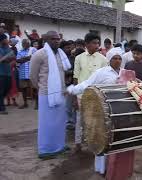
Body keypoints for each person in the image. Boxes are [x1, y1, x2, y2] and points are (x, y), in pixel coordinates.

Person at [67, 47, 135, 179]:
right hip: (103, 113)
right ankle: (101, 169)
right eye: (114, 58)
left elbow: (134, 88)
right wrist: (71, 90)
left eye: (119, 58)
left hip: (122, 113)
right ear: (109, 59)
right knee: (102, 140)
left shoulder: (127, 73)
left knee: (118, 142)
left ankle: (117, 170)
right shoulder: (101, 73)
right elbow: (87, 84)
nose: (117, 60)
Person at [29, 31, 71, 158]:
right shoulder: (39, 54)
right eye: (53, 39)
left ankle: (59, 146)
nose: (57, 41)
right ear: (46, 40)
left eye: (58, 39)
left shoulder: (61, 54)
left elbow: (63, 73)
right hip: (46, 93)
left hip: (60, 93)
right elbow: (33, 76)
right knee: (47, 123)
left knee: (59, 122)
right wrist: (42, 88)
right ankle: (46, 150)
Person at [73, 32, 108, 161]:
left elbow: (105, 78)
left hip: (97, 97)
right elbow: (76, 79)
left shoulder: (103, 59)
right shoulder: (79, 58)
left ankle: (94, 145)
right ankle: (77, 144)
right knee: (80, 121)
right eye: (94, 43)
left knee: (96, 122)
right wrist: (75, 97)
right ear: (86, 44)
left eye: (98, 43)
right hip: (82, 95)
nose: (97, 45)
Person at [16, 39, 37, 109]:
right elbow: (18, 60)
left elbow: (36, 58)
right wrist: (28, 58)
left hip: (32, 72)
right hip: (23, 73)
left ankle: (37, 104)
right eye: (23, 43)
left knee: (35, 88)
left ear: (29, 44)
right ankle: (25, 103)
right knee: (23, 89)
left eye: (25, 43)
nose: (23, 45)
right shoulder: (20, 51)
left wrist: (23, 59)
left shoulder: (33, 50)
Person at [0, 34, 15, 114]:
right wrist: (9, 56)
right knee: (1, 91)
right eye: (6, 39)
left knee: (8, 88)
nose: (7, 40)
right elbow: (2, 60)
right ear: (2, 40)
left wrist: (8, 58)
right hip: (1, 73)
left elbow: (13, 58)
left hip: (8, 73)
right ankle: (2, 108)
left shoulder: (8, 48)